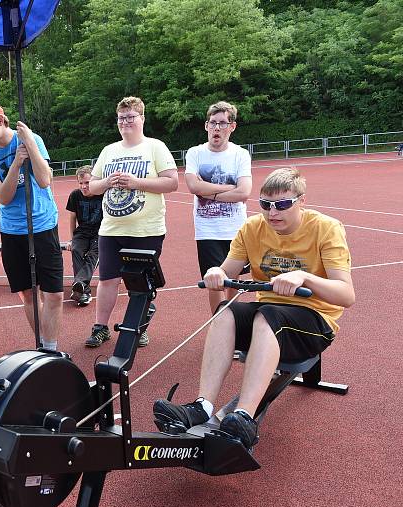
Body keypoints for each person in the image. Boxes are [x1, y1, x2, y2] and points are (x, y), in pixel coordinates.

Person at [153, 167, 355, 449]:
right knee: (226, 311)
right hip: (271, 316)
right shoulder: (252, 228)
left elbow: (346, 295)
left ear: (302, 201)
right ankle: (203, 406)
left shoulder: (326, 228)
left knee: (267, 317)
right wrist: (215, 272)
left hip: (315, 323)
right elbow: (226, 271)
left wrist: (304, 277)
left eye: (283, 204)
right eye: (265, 205)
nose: (273, 213)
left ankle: (244, 417)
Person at [0, 98, 64, 351]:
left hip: (42, 224)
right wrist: (16, 164)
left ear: (1, 120)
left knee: (54, 293)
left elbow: (44, 181)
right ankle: (43, 347)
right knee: (29, 294)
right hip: (12, 231)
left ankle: (51, 349)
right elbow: (3, 197)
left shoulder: (32, 139)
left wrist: (29, 143)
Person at [85, 96, 178, 348]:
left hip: (146, 229)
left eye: (130, 117)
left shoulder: (155, 147)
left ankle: (140, 327)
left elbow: (172, 182)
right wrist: (106, 183)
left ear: (142, 119)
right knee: (107, 279)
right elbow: (92, 186)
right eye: (121, 118)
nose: (125, 122)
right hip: (111, 229)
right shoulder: (109, 151)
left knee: (140, 280)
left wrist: (136, 183)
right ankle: (100, 327)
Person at [185, 101, 252, 314]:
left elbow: (244, 192)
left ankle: (234, 321)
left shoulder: (240, 154)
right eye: (213, 123)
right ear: (206, 126)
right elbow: (193, 186)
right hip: (207, 231)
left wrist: (208, 193)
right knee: (214, 279)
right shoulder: (195, 153)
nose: (217, 128)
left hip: (235, 229)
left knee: (233, 279)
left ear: (232, 127)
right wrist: (226, 190)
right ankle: (219, 322)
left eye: (222, 123)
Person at [66, 165, 103, 306]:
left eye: (87, 182)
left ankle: (80, 287)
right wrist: (71, 238)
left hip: (99, 232)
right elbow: (72, 218)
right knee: (76, 250)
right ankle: (83, 289)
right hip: (82, 232)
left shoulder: (102, 194)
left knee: (94, 254)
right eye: (80, 183)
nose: (83, 186)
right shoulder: (75, 195)